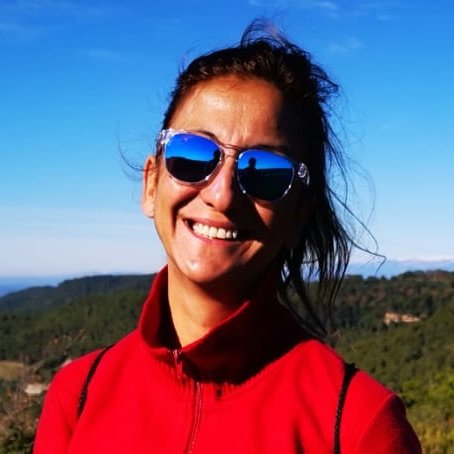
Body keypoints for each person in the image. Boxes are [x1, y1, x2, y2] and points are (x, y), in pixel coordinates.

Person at [34, 21, 421, 453]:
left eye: (266, 172)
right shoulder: (78, 395)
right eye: (192, 155)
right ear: (151, 183)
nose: (221, 194)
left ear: (299, 214)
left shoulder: (359, 426)